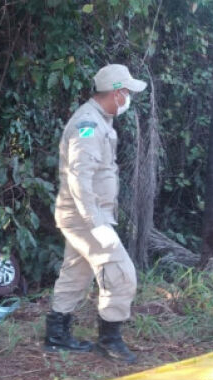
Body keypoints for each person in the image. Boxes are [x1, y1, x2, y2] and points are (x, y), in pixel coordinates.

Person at [44, 64, 147, 364]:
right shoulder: (87, 124)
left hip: (83, 214)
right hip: (85, 216)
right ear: (116, 93)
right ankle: (110, 341)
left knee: (77, 271)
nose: (128, 98)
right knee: (120, 273)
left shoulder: (99, 120)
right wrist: (96, 223)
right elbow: (78, 176)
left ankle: (56, 336)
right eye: (126, 92)